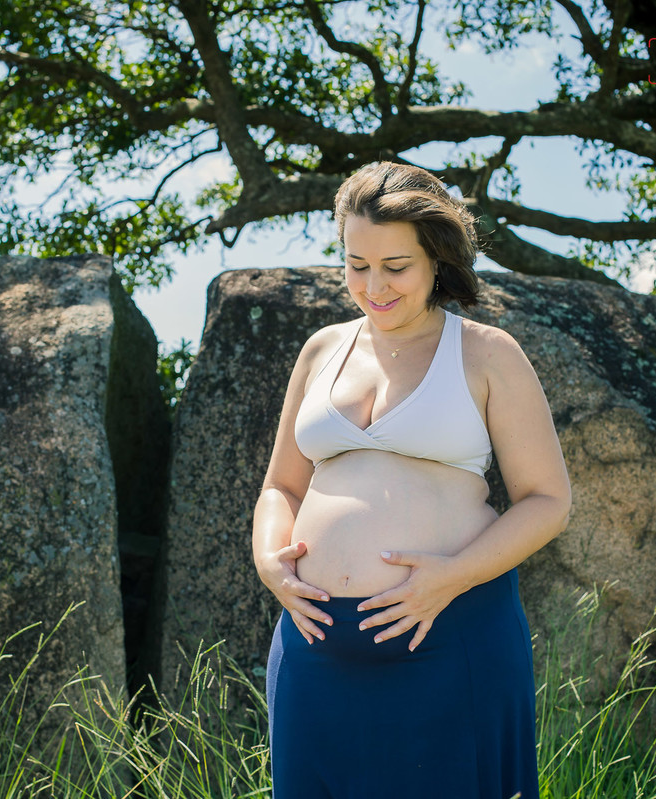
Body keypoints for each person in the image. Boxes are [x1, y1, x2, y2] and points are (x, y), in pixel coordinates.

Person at [252, 161, 572, 798]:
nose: (374, 286)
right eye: (357, 264)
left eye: (395, 266)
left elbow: (547, 501)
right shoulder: (321, 350)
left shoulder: (488, 353)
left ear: (437, 259)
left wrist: (450, 577)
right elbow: (281, 488)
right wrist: (269, 562)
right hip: (316, 644)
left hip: (450, 633)